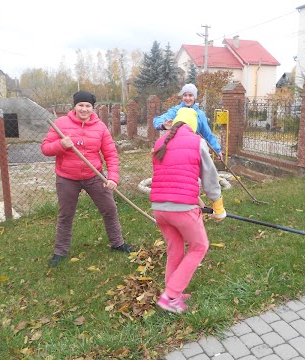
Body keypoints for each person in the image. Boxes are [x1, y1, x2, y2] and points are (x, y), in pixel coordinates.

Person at [41, 90, 135, 267]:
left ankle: (118, 243)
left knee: (110, 209)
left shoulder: (100, 127)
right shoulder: (61, 123)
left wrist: (113, 177)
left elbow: (111, 154)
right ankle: (60, 252)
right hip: (67, 178)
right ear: (74, 106)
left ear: (93, 108)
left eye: (88, 106)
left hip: (94, 176)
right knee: (66, 214)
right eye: (80, 105)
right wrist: (61, 144)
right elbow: (45, 149)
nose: (84, 109)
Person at [150, 107, 226, 313]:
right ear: (193, 126)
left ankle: (172, 290)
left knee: (175, 248)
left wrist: (196, 199)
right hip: (182, 209)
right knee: (200, 246)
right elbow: (210, 178)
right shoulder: (197, 142)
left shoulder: (160, 142)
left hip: (159, 208)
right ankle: (170, 296)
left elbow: (172, 178)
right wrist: (218, 206)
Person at [153, 83, 223, 160]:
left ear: (194, 97)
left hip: (193, 150)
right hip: (177, 150)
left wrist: (217, 150)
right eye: (185, 95)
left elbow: (207, 134)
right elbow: (157, 120)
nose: (187, 98)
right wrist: (162, 125)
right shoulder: (176, 110)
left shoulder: (200, 114)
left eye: (190, 95)